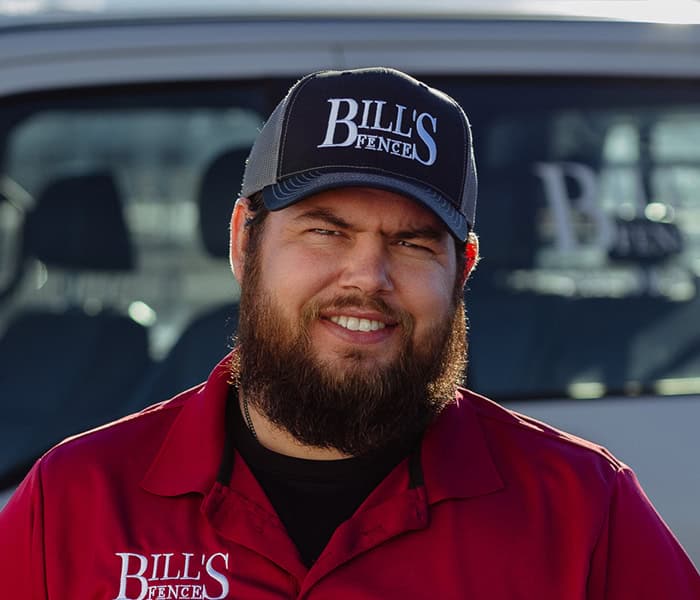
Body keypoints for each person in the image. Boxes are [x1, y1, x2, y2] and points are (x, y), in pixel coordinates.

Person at [0, 67, 698, 599]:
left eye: (414, 243)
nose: (368, 277)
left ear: (463, 270)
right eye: (326, 231)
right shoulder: (75, 502)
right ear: (245, 241)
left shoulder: (581, 510)